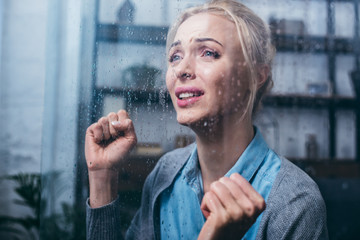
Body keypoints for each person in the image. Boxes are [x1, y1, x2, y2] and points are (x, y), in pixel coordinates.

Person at [85, 0, 328, 239]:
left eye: (208, 53)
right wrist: (102, 177)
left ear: (255, 75)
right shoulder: (165, 174)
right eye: (175, 56)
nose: (181, 69)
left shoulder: (294, 202)